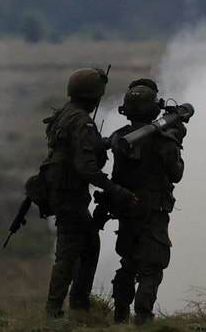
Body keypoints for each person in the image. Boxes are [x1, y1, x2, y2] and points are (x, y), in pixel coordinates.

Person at [42, 68, 137, 318]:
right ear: (93, 96)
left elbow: (73, 148)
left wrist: (104, 142)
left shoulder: (64, 114)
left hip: (62, 193)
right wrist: (116, 191)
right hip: (70, 196)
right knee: (68, 253)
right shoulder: (83, 121)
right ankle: (58, 310)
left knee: (86, 246)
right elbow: (87, 168)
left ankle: (77, 305)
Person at [108, 79, 186, 325]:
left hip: (127, 209)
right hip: (154, 210)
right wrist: (176, 139)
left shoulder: (120, 138)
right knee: (152, 265)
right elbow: (176, 174)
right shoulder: (163, 140)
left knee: (128, 262)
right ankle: (143, 317)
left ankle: (119, 314)